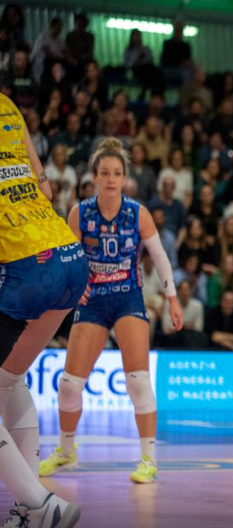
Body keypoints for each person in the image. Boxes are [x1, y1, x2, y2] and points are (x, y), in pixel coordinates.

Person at [39, 138, 184, 485]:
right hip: (92, 301)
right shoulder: (80, 213)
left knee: (138, 381)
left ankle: (148, 460)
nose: (110, 179)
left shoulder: (137, 213)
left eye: (117, 173)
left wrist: (172, 298)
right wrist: (73, 289)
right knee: (69, 386)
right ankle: (66, 452)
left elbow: (160, 257)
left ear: (125, 178)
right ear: (94, 177)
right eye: (104, 173)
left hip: (127, 298)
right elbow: (67, 259)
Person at [0, 93, 87, 527]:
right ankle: (27, 512)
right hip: (68, 253)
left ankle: (40, 502)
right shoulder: (7, 105)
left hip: (26, 263)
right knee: (9, 379)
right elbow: (44, 186)